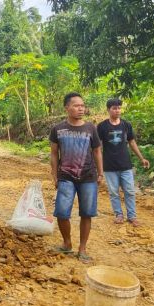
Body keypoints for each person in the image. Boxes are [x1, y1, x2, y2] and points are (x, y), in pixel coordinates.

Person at [49, 92, 104, 263]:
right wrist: (54, 175)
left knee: (87, 213)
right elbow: (53, 153)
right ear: (67, 108)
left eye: (82, 105)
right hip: (65, 176)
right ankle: (67, 243)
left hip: (88, 177)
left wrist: (100, 173)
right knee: (62, 212)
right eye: (76, 105)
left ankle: (82, 249)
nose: (81, 108)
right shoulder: (58, 129)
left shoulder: (90, 128)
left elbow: (96, 151)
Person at [97, 98, 150, 226]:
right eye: (114, 108)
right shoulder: (102, 126)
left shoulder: (126, 125)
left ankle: (132, 216)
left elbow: (132, 142)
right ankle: (119, 215)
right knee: (114, 192)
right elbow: (97, 147)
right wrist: (97, 167)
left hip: (126, 165)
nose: (117, 110)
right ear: (108, 110)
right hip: (109, 166)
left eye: (119, 108)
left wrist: (141, 158)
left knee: (130, 191)